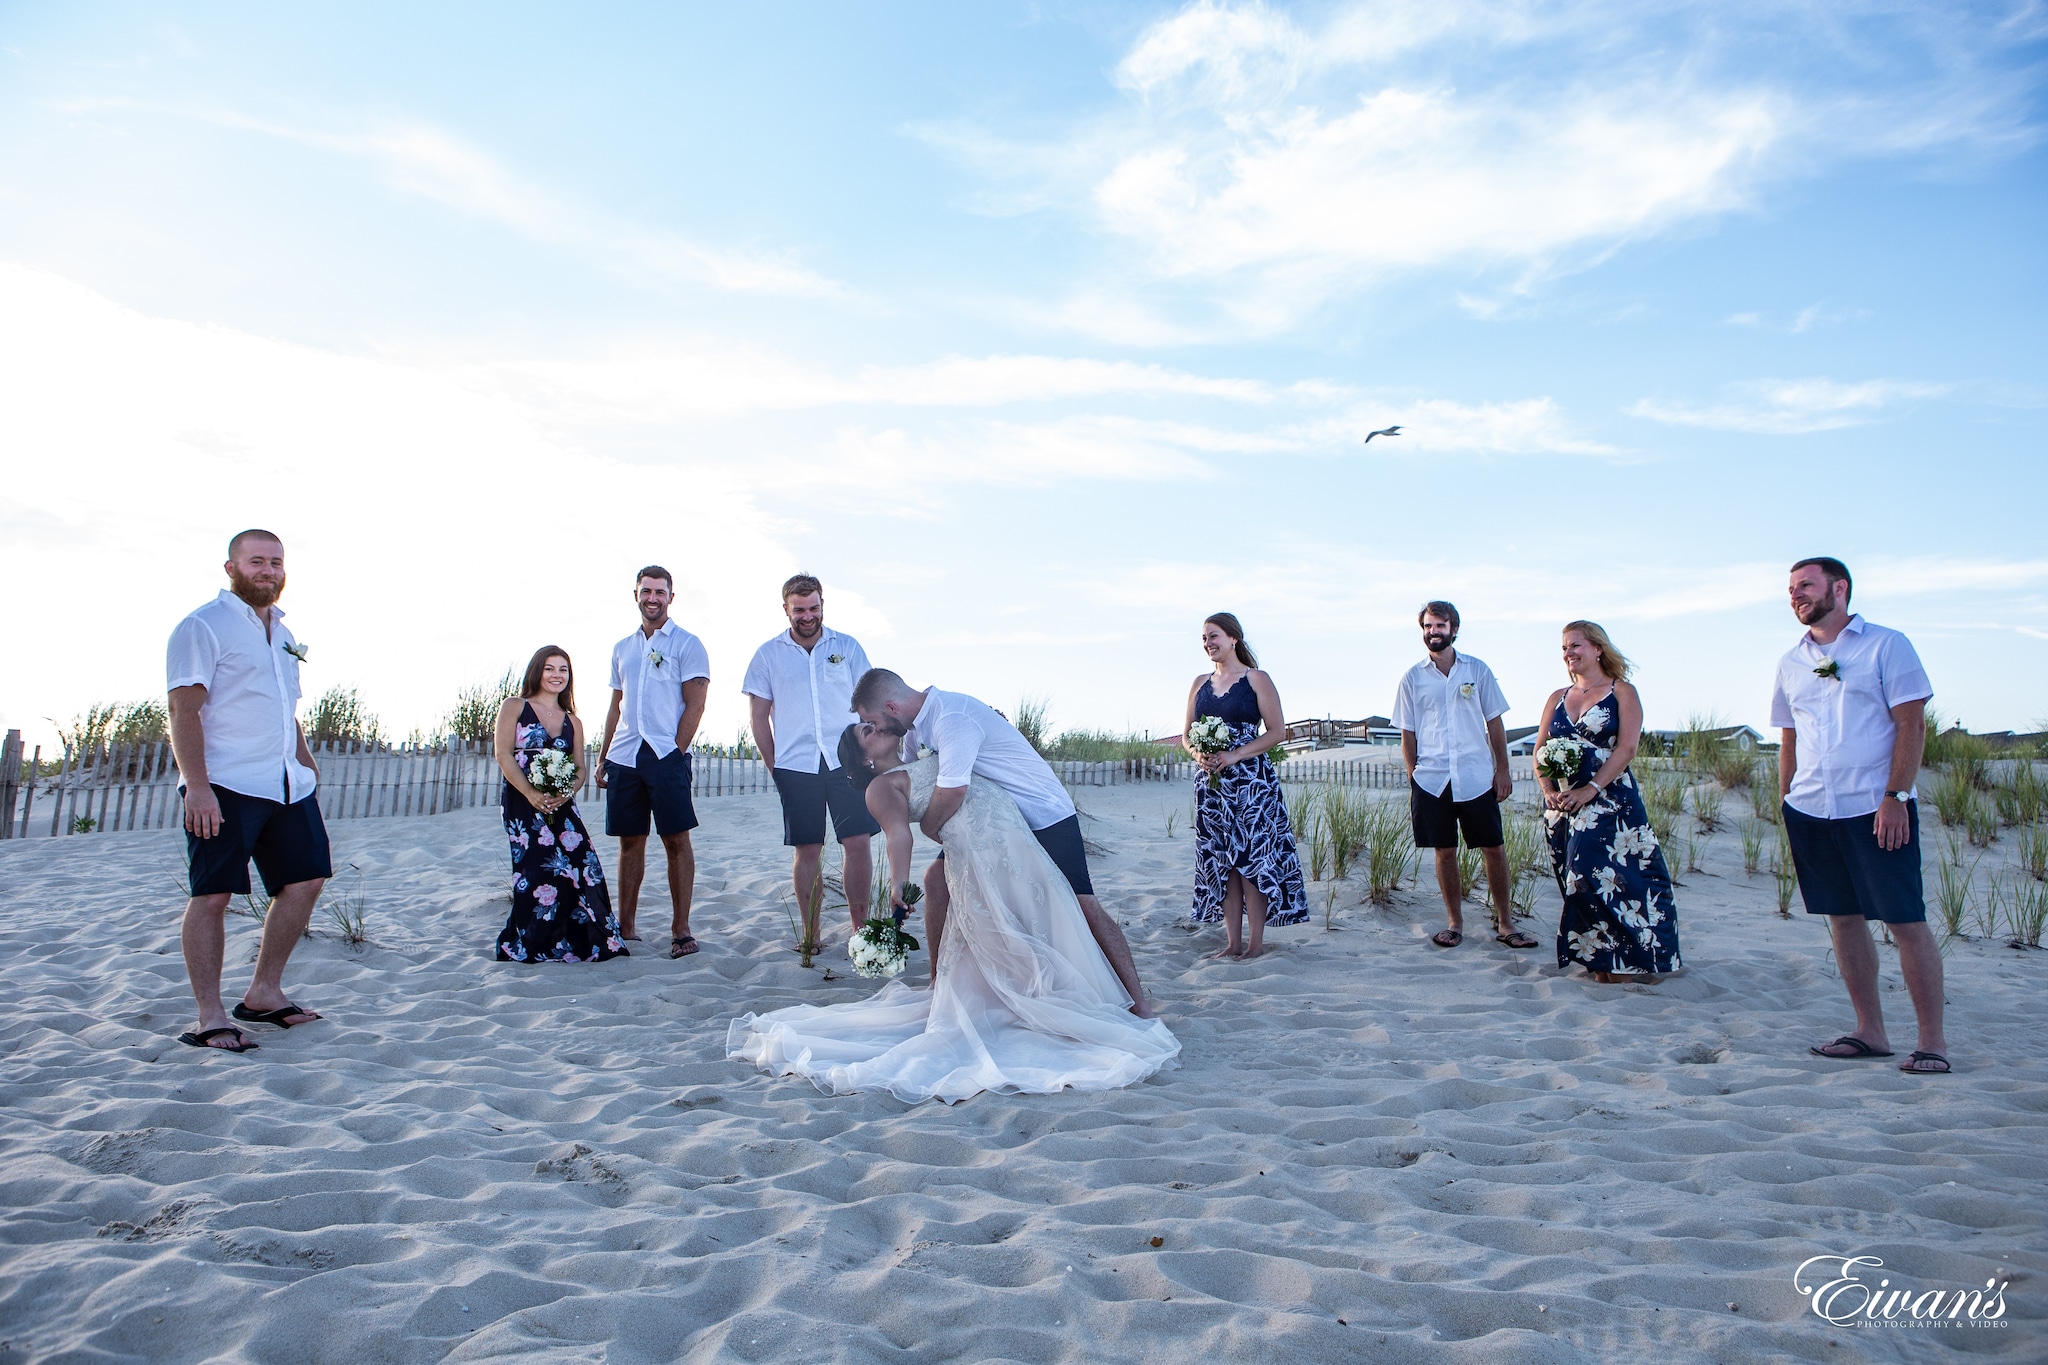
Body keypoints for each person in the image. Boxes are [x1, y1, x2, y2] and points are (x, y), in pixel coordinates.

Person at [725, 722, 1180, 1102]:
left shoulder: (915, 751)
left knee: (1040, 915)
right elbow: (899, 835)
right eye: (866, 730)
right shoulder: (880, 787)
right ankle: (1031, 1002)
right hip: (981, 844)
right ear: (864, 758)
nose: (875, 726)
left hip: (1008, 828)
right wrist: (898, 883)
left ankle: (1051, 998)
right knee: (1005, 928)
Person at [850, 670, 1155, 1018]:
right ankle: (939, 983)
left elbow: (952, 791)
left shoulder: (952, 716)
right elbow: (912, 778)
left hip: (1039, 812)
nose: (879, 728)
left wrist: (931, 829)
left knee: (1082, 903)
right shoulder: (915, 729)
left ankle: (1138, 1002)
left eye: (873, 720)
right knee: (936, 880)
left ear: (891, 706)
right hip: (991, 821)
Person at [1773, 557, 1948, 1075]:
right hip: (1811, 809)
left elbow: (1911, 722)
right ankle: (1869, 1031)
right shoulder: (1790, 661)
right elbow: (1789, 734)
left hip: (1875, 806)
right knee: (1842, 919)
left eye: (1805, 585)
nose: (1795, 595)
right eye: (1790, 589)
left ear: (1840, 588)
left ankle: (1932, 1042)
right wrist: (1787, 800)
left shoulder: (1887, 644)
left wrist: (1896, 794)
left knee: (1904, 919)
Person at [164, 529, 331, 1053]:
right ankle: (209, 1014)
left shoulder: (283, 633)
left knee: (306, 881)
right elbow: (183, 711)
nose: (269, 571)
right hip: (225, 784)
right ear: (231, 568)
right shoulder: (202, 626)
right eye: (257, 561)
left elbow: (286, 707)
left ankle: (263, 992)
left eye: (277, 562)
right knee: (212, 895)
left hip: (285, 784)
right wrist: (197, 786)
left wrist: (304, 764)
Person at [1534, 622, 1680, 981]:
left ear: (1597, 648)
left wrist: (1591, 789)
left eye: (1576, 645)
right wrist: (1548, 789)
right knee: (1574, 880)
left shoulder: (1622, 692)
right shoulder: (1556, 697)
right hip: (1563, 806)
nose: (1568, 653)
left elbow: (1627, 748)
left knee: (1613, 878)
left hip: (1610, 801)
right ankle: (1600, 961)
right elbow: (1539, 749)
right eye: (1564, 647)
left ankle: (1635, 959)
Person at [741, 573, 879, 941]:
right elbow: (758, 717)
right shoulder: (767, 655)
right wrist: (775, 767)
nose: (807, 616)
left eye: (813, 608)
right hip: (796, 764)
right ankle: (810, 933)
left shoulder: (847, 647)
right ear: (785, 609)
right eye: (799, 609)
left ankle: (860, 929)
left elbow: (870, 705)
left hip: (847, 761)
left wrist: (871, 754)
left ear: (822, 605)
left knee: (858, 841)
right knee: (808, 848)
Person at [1393, 601, 1535, 949]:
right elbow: (1407, 732)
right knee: (1444, 851)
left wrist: (1502, 769)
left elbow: (1495, 722)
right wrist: (1414, 776)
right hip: (1433, 778)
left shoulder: (1477, 670)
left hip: (1475, 775)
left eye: (1440, 626)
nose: (1433, 632)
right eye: (1428, 626)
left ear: (1453, 629)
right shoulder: (1413, 678)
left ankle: (1505, 923)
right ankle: (1455, 922)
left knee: (1494, 848)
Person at [596, 565, 709, 959]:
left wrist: (676, 753)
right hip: (625, 754)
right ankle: (625, 927)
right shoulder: (622, 648)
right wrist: (602, 757)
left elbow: (696, 705)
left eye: (660, 592)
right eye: (647, 591)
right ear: (637, 595)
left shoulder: (687, 643)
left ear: (671, 598)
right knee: (630, 842)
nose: (653, 598)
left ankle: (681, 929)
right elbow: (616, 706)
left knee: (676, 840)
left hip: (666, 754)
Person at [1181, 612, 1307, 958]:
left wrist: (1236, 754)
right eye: (1204, 638)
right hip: (1211, 785)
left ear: (1233, 638)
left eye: (1214, 636)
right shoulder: (1198, 683)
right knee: (1223, 860)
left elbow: (1278, 732)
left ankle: (1255, 944)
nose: (1209, 643)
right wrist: (1198, 755)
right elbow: (1187, 735)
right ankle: (1232, 942)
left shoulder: (1257, 679)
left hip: (1251, 783)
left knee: (1252, 859)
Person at [492, 646, 624, 963]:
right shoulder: (515, 706)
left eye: (563, 669)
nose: (556, 675)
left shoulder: (572, 722)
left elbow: (579, 768)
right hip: (522, 803)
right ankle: (533, 941)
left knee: (583, 866)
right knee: (537, 871)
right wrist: (531, 793)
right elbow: (503, 754)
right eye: (550, 668)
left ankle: (583, 939)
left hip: (561, 805)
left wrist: (565, 794)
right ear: (537, 671)